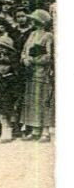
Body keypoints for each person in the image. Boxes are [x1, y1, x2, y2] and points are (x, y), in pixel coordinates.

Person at [19, 9, 54, 140]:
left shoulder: (48, 36)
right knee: (32, 101)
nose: (33, 22)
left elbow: (48, 56)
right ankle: (35, 129)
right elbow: (24, 51)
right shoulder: (32, 34)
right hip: (30, 72)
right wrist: (24, 59)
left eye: (35, 20)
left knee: (43, 100)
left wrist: (33, 60)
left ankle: (45, 130)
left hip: (41, 73)